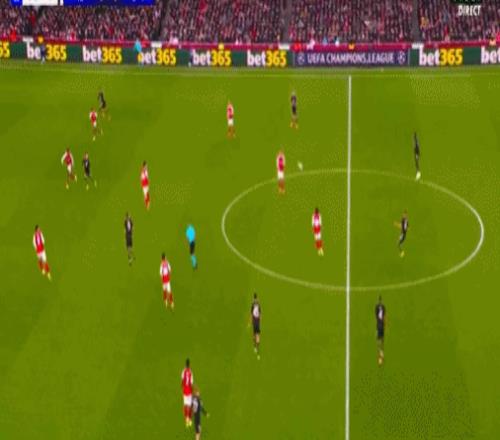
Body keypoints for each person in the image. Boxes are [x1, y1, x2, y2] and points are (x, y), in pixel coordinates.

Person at [181, 358, 194, 427]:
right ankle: (188, 419)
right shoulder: (191, 372)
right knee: (189, 405)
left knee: (185, 405)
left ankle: (186, 419)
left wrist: (182, 388)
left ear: (185, 364)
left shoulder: (183, 371)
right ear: (189, 364)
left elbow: (182, 380)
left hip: (184, 390)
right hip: (189, 391)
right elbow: (191, 383)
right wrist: (192, 390)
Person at [250, 293, 261, 360]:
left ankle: (255, 347)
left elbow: (251, 314)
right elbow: (260, 314)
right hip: (257, 322)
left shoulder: (253, 304)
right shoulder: (258, 304)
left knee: (254, 335)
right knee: (257, 335)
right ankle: (256, 347)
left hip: (255, 322)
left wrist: (250, 321)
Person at [375, 296, 386, 365]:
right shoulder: (378, 307)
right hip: (380, 324)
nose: (380, 302)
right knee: (380, 339)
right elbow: (377, 316)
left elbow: (383, 316)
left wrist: (384, 322)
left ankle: (381, 352)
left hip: (380, 325)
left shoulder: (381, 307)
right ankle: (380, 353)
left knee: (381, 339)